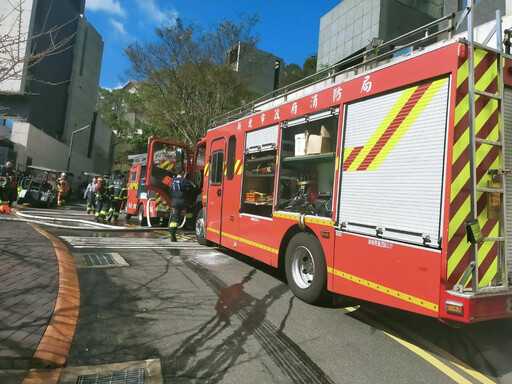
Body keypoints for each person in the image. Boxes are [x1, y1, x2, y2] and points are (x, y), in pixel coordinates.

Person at [169, 166, 194, 242]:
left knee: (174, 219)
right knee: (190, 211)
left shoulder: (172, 180)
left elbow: (170, 191)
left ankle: (173, 236)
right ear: (183, 172)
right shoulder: (184, 181)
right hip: (183, 201)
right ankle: (190, 225)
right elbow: (192, 189)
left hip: (175, 202)